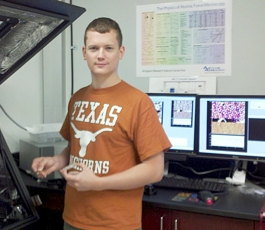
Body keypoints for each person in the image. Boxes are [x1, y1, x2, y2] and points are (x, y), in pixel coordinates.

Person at [31, 17, 171, 230]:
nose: (101, 55)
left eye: (109, 48)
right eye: (94, 48)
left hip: (116, 224)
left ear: (121, 52)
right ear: (84, 53)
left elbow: (154, 170)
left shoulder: (138, 102)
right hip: (73, 218)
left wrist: (98, 183)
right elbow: (76, 148)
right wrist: (57, 161)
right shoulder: (77, 98)